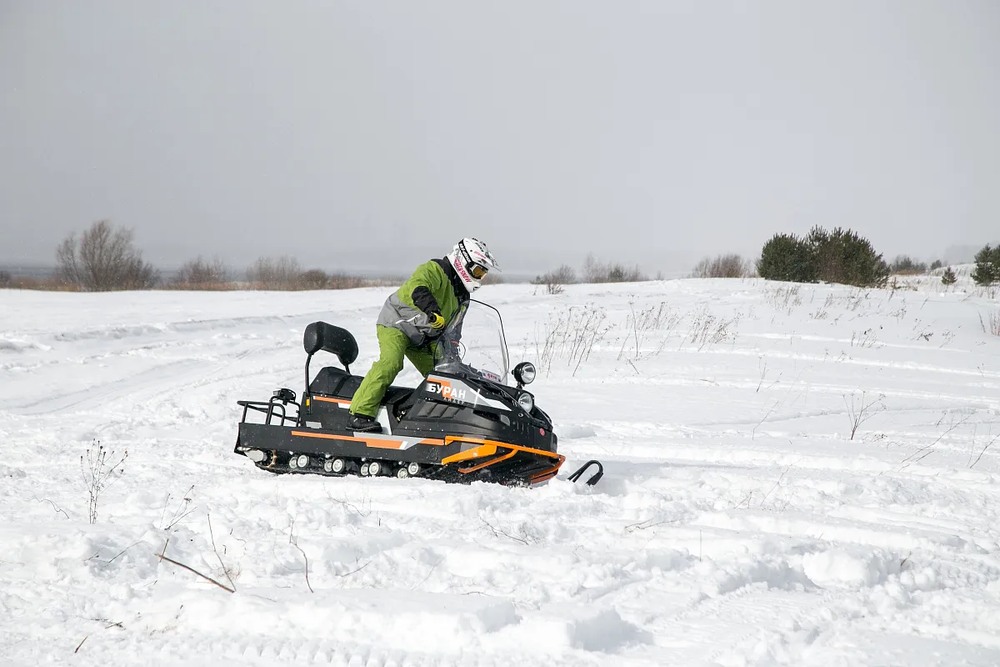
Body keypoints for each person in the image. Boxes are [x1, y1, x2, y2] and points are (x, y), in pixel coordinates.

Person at [348, 238, 500, 433]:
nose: (480, 277)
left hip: (424, 336)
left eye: (483, 274)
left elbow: (455, 330)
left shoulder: (463, 296)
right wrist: (432, 311)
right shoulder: (436, 269)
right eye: (478, 271)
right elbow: (418, 288)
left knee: (447, 376)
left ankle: (430, 420)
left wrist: (453, 356)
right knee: (391, 363)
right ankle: (359, 413)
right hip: (397, 323)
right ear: (463, 263)